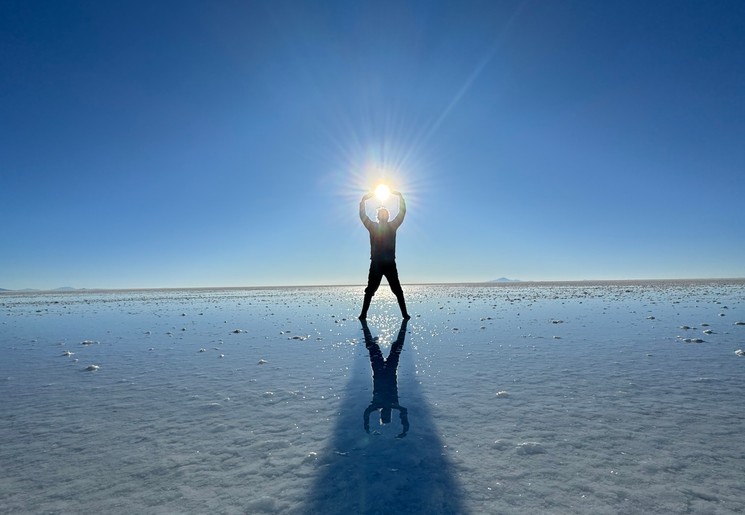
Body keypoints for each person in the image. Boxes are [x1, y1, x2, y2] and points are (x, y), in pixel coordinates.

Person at [358, 189, 410, 320]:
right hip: (376, 263)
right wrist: (363, 200)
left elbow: (401, 213)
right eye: (381, 213)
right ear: (378, 216)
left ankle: (404, 314)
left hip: (389, 264)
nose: (383, 215)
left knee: (397, 290)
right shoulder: (372, 227)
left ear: (387, 216)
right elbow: (362, 215)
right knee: (370, 289)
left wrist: (400, 197)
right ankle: (363, 314)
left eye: (385, 213)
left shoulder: (393, 226)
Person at [361, 319, 409, 438]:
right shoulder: (391, 404)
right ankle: (404, 323)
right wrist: (404, 430)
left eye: (384, 415)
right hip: (387, 371)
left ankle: (364, 325)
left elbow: (366, 413)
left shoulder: (379, 405)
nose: (386, 412)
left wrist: (367, 426)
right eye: (388, 415)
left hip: (380, 371)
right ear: (389, 414)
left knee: (374, 347)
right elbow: (404, 412)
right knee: (393, 347)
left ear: (382, 414)